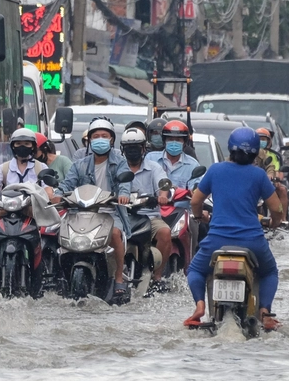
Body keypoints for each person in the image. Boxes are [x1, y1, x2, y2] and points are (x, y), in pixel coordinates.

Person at [186, 128, 283, 331]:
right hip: (252, 241)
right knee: (270, 272)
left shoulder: (215, 170)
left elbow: (196, 201)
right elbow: (276, 208)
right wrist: (275, 222)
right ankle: (264, 311)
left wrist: (198, 215)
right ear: (256, 152)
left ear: (230, 148)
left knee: (195, 269)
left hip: (217, 240)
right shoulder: (259, 175)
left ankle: (200, 306)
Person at [54, 117, 132, 302]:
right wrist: (58, 194)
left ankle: (119, 277)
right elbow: (67, 184)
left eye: (104, 136)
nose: (100, 139)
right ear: (89, 140)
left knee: (114, 234)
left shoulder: (120, 162)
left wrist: (123, 195)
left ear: (112, 139)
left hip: (111, 211)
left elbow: (125, 183)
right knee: (63, 233)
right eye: (96, 136)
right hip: (83, 212)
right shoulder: (80, 164)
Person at [119, 128, 172, 286]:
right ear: (123, 150)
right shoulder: (117, 168)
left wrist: (162, 196)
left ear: (143, 148)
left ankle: (157, 277)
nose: (133, 151)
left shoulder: (154, 167)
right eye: (129, 148)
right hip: (123, 217)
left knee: (165, 232)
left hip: (150, 216)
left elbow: (163, 184)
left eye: (136, 147)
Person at [147, 120, 202, 192]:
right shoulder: (151, 159)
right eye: (170, 139)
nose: (174, 143)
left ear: (184, 142)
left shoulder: (193, 165)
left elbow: (196, 189)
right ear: (164, 141)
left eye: (178, 140)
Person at [254, 127, 289, 220]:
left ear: (268, 141)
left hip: (269, 183)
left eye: (263, 140)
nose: (261, 142)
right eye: (259, 139)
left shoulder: (274, 155)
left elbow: (277, 170)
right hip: (253, 183)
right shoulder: (251, 153)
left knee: (282, 190)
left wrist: (275, 178)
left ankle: (282, 219)